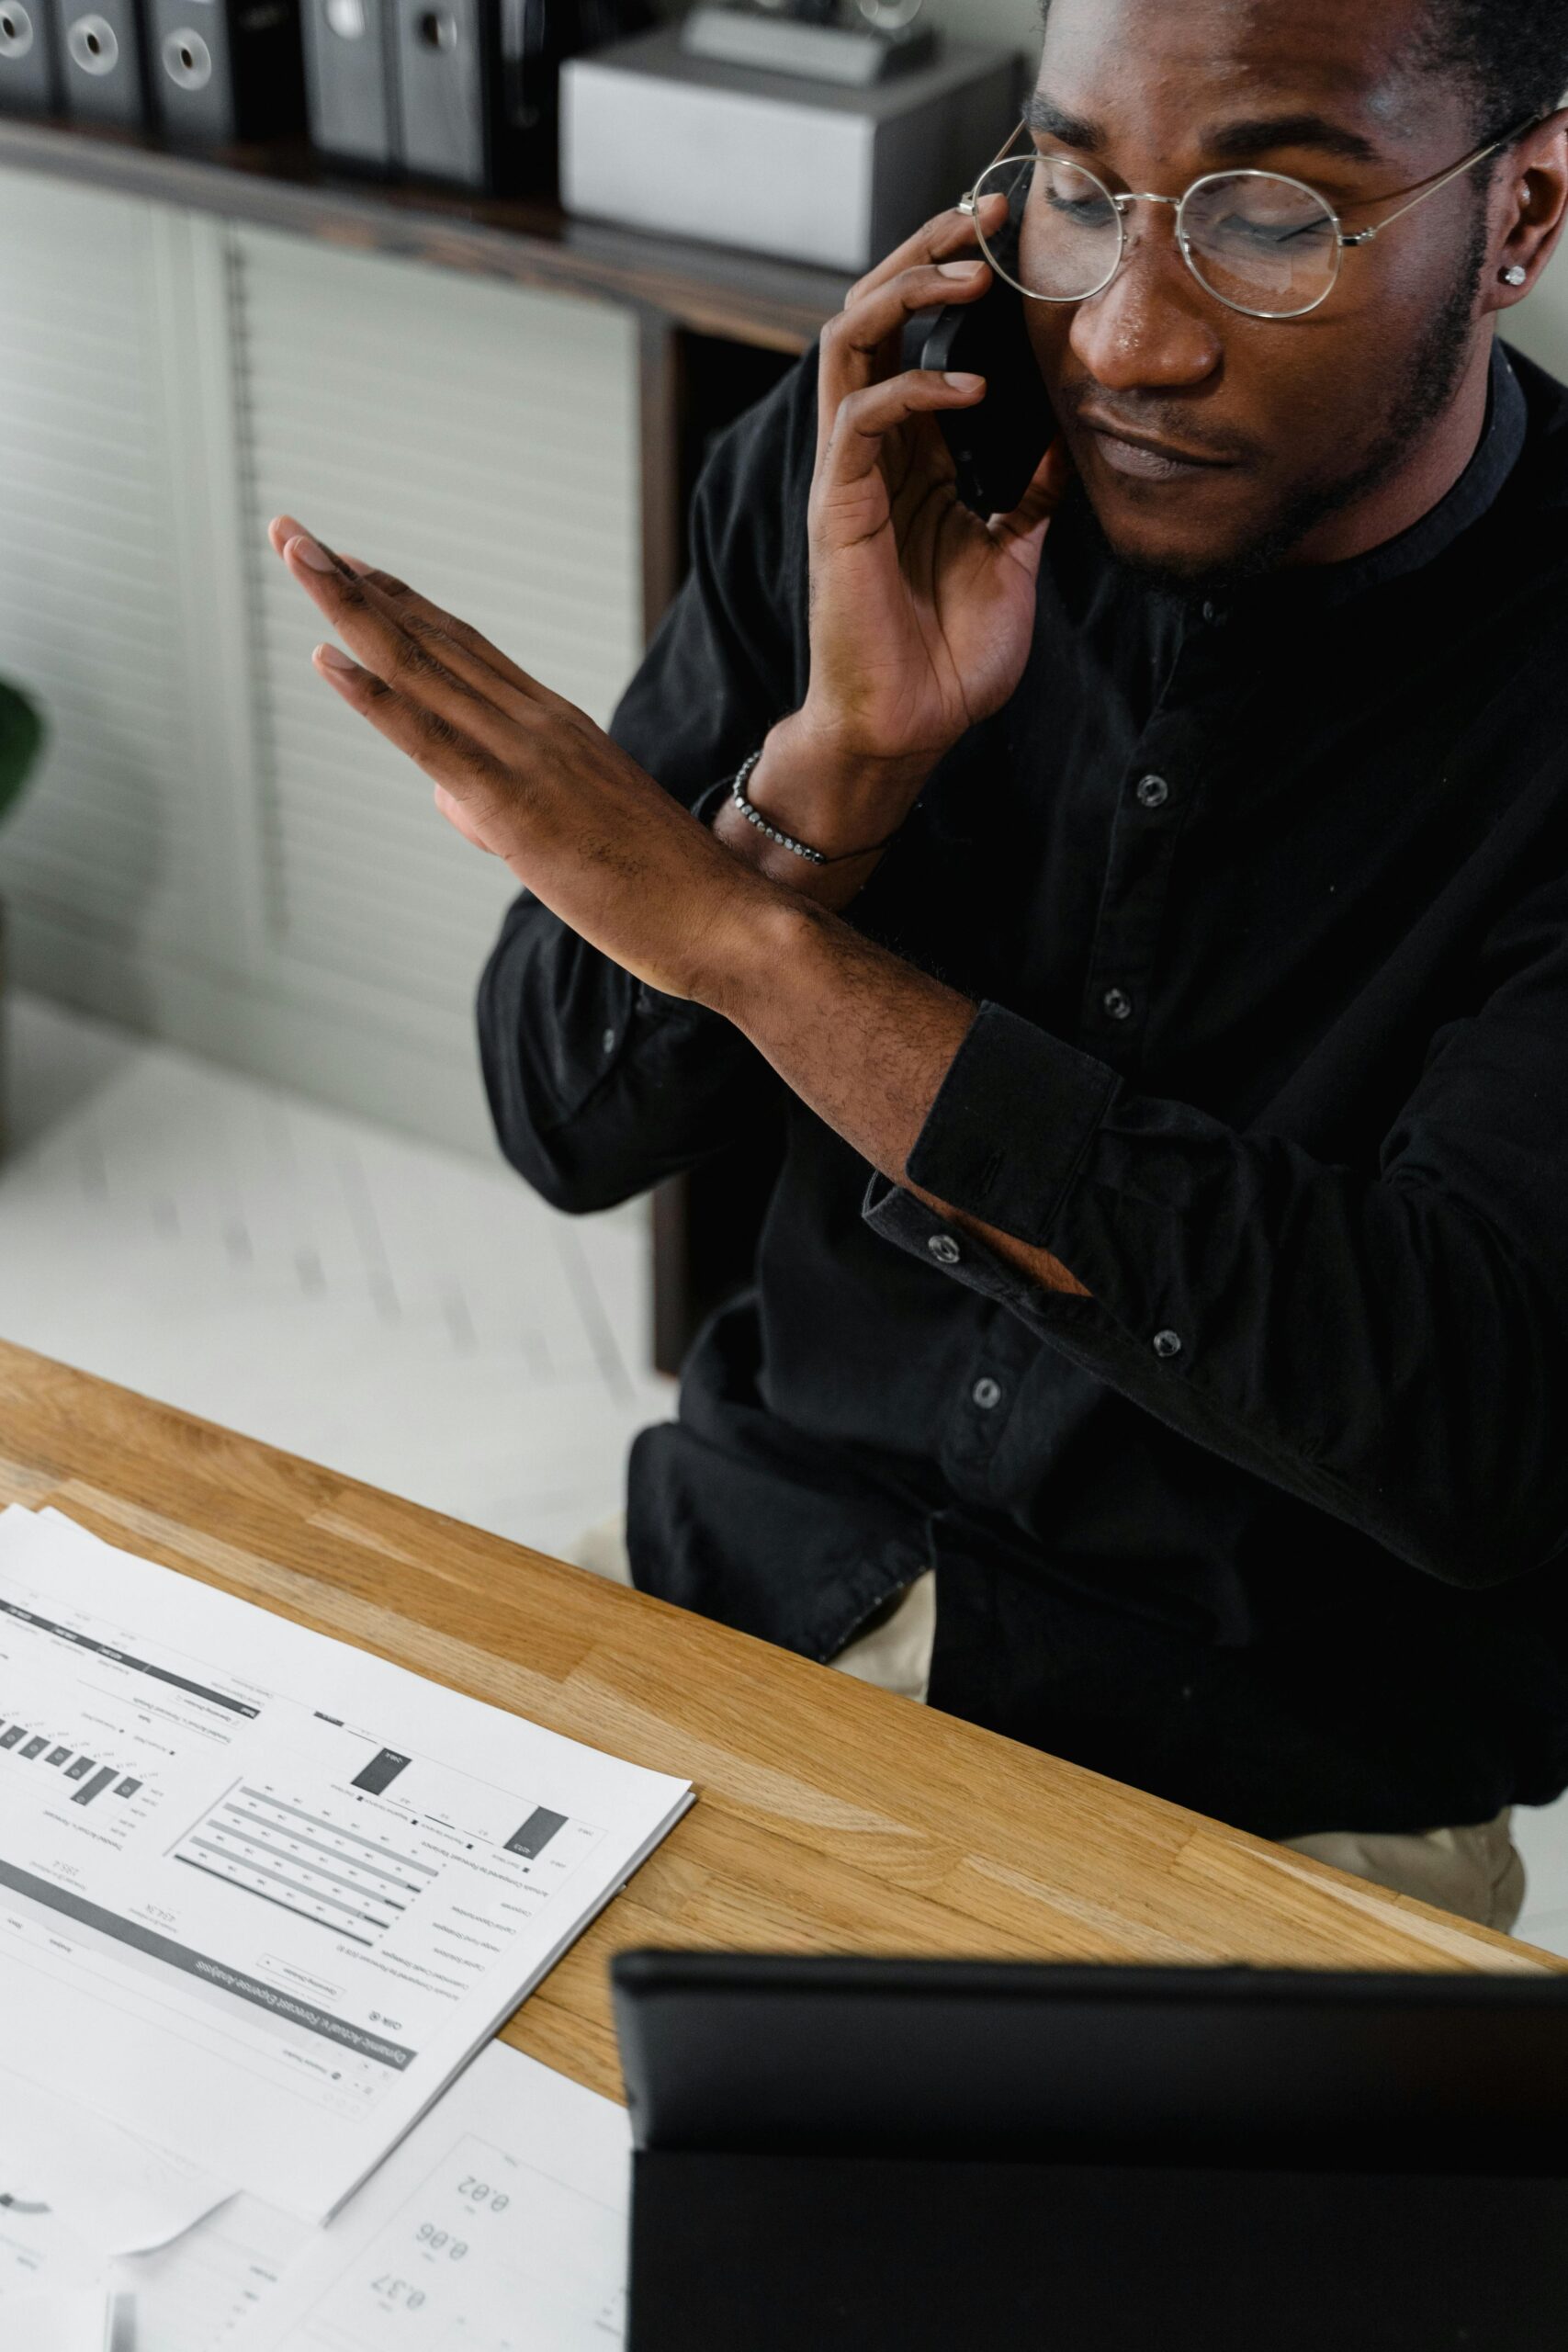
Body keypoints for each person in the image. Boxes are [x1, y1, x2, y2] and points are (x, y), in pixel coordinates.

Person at [269, 0, 1568, 1934]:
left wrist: (761, 953)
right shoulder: (888, 446)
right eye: (1069, 189)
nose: (1124, 334)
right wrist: (832, 776)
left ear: (1522, 214)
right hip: (743, 1578)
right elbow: (560, 1112)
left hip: (1269, 1783)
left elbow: (1471, 1422)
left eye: (1271, 218)